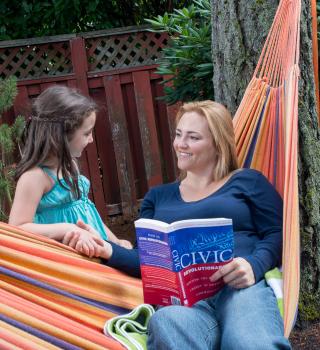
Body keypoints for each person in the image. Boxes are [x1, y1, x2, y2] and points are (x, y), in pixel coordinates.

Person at [140, 100, 291, 349]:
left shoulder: (247, 181)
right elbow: (143, 259)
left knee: (249, 342)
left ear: (217, 144)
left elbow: (279, 233)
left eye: (193, 137)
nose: (181, 144)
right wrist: (106, 248)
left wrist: (254, 265)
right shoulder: (158, 197)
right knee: (165, 322)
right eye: (178, 134)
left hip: (238, 287)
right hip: (184, 301)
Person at [9, 85, 132, 258]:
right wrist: (67, 228)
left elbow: (88, 212)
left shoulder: (69, 166)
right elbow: (18, 228)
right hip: (67, 266)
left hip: (94, 255)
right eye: (87, 133)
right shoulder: (35, 177)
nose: (91, 140)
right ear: (60, 136)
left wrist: (115, 243)